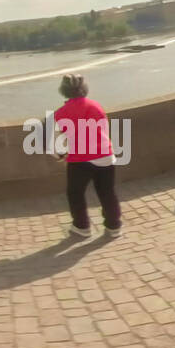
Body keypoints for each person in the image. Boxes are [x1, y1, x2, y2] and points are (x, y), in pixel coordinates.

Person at [52, 74, 120, 236]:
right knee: (107, 192)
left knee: (75, 193)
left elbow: (57, 147)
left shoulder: (60, 113)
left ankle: (82, 227)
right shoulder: (95, 106)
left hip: (80, 159)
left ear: (63, 91)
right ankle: (114, 226)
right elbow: (104, 130)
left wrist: (60, 156)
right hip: (105, 155)